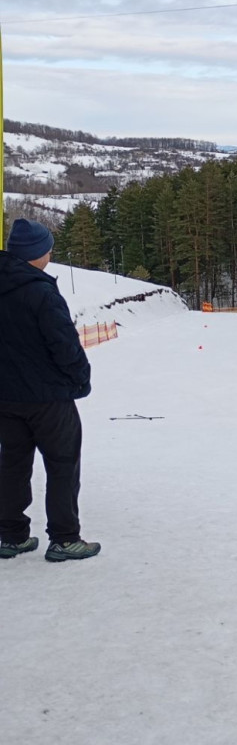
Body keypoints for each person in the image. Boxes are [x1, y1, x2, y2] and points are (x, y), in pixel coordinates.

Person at [0, 219, 100, 562]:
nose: (50, 253)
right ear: (35, 254)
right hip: (48, 398)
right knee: (62, 464)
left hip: (6, 397)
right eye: (47, 248)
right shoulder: (41, 291)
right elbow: (64, 345)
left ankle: (11, 536)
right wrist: (80, 380)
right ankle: (64, 538)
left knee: (12, 464)